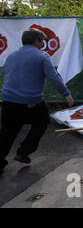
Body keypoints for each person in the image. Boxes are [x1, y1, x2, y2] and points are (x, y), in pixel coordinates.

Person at [0, 29, 74, 175]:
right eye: (42, 41)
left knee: (7, 133)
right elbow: (54, 78)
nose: (43, 44)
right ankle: (24, 151)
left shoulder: (11, 56)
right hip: (31, 102)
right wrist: (66, 94)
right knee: (42, 122)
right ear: (37, 41)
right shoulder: (42, 56)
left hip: (8, 101)